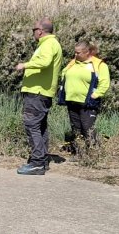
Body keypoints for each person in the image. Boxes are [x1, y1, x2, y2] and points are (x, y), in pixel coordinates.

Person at [13, 19, 63, 175]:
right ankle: (42, 160)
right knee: (40, 127)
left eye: (33, 29)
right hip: (42, 92)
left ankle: (37, 163)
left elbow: (45, 62)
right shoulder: (50, 44)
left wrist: (25, 65)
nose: (33, 32)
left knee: (32, 125)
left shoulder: (48, 44)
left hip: (38, 92)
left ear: (40, 31)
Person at [59, 41, 110, 156]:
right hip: (71, 101)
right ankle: (79, 153)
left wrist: (95, 95)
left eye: (78, 53)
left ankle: (94, 153)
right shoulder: (73, 62)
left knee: (87, 128)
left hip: (88, 103)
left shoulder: (98, 64)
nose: (75, 55)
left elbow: (104, 83)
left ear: (87, 52)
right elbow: (64, 75)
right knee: (76, 129)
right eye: (75, 52)